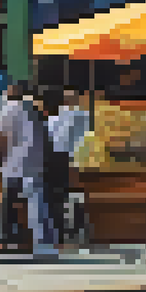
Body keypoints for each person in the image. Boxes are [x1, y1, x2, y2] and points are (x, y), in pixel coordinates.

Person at [0, 84, 58, 257]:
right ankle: (42, 241)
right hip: (34, 164)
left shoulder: (7, 110)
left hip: (13, 164)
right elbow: (46, 137)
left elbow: (0, 138)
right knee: (37, 203)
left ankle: (8, 238)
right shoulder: (35, 111)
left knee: (9, 204)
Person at [46, 87, 91, 246]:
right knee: (76, 194)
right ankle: (77, 228)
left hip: (56, 159)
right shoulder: (84, 115)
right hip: (81, 159)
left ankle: (62, 231)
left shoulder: (53, 119)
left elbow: (50, 138)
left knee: (59, 196)